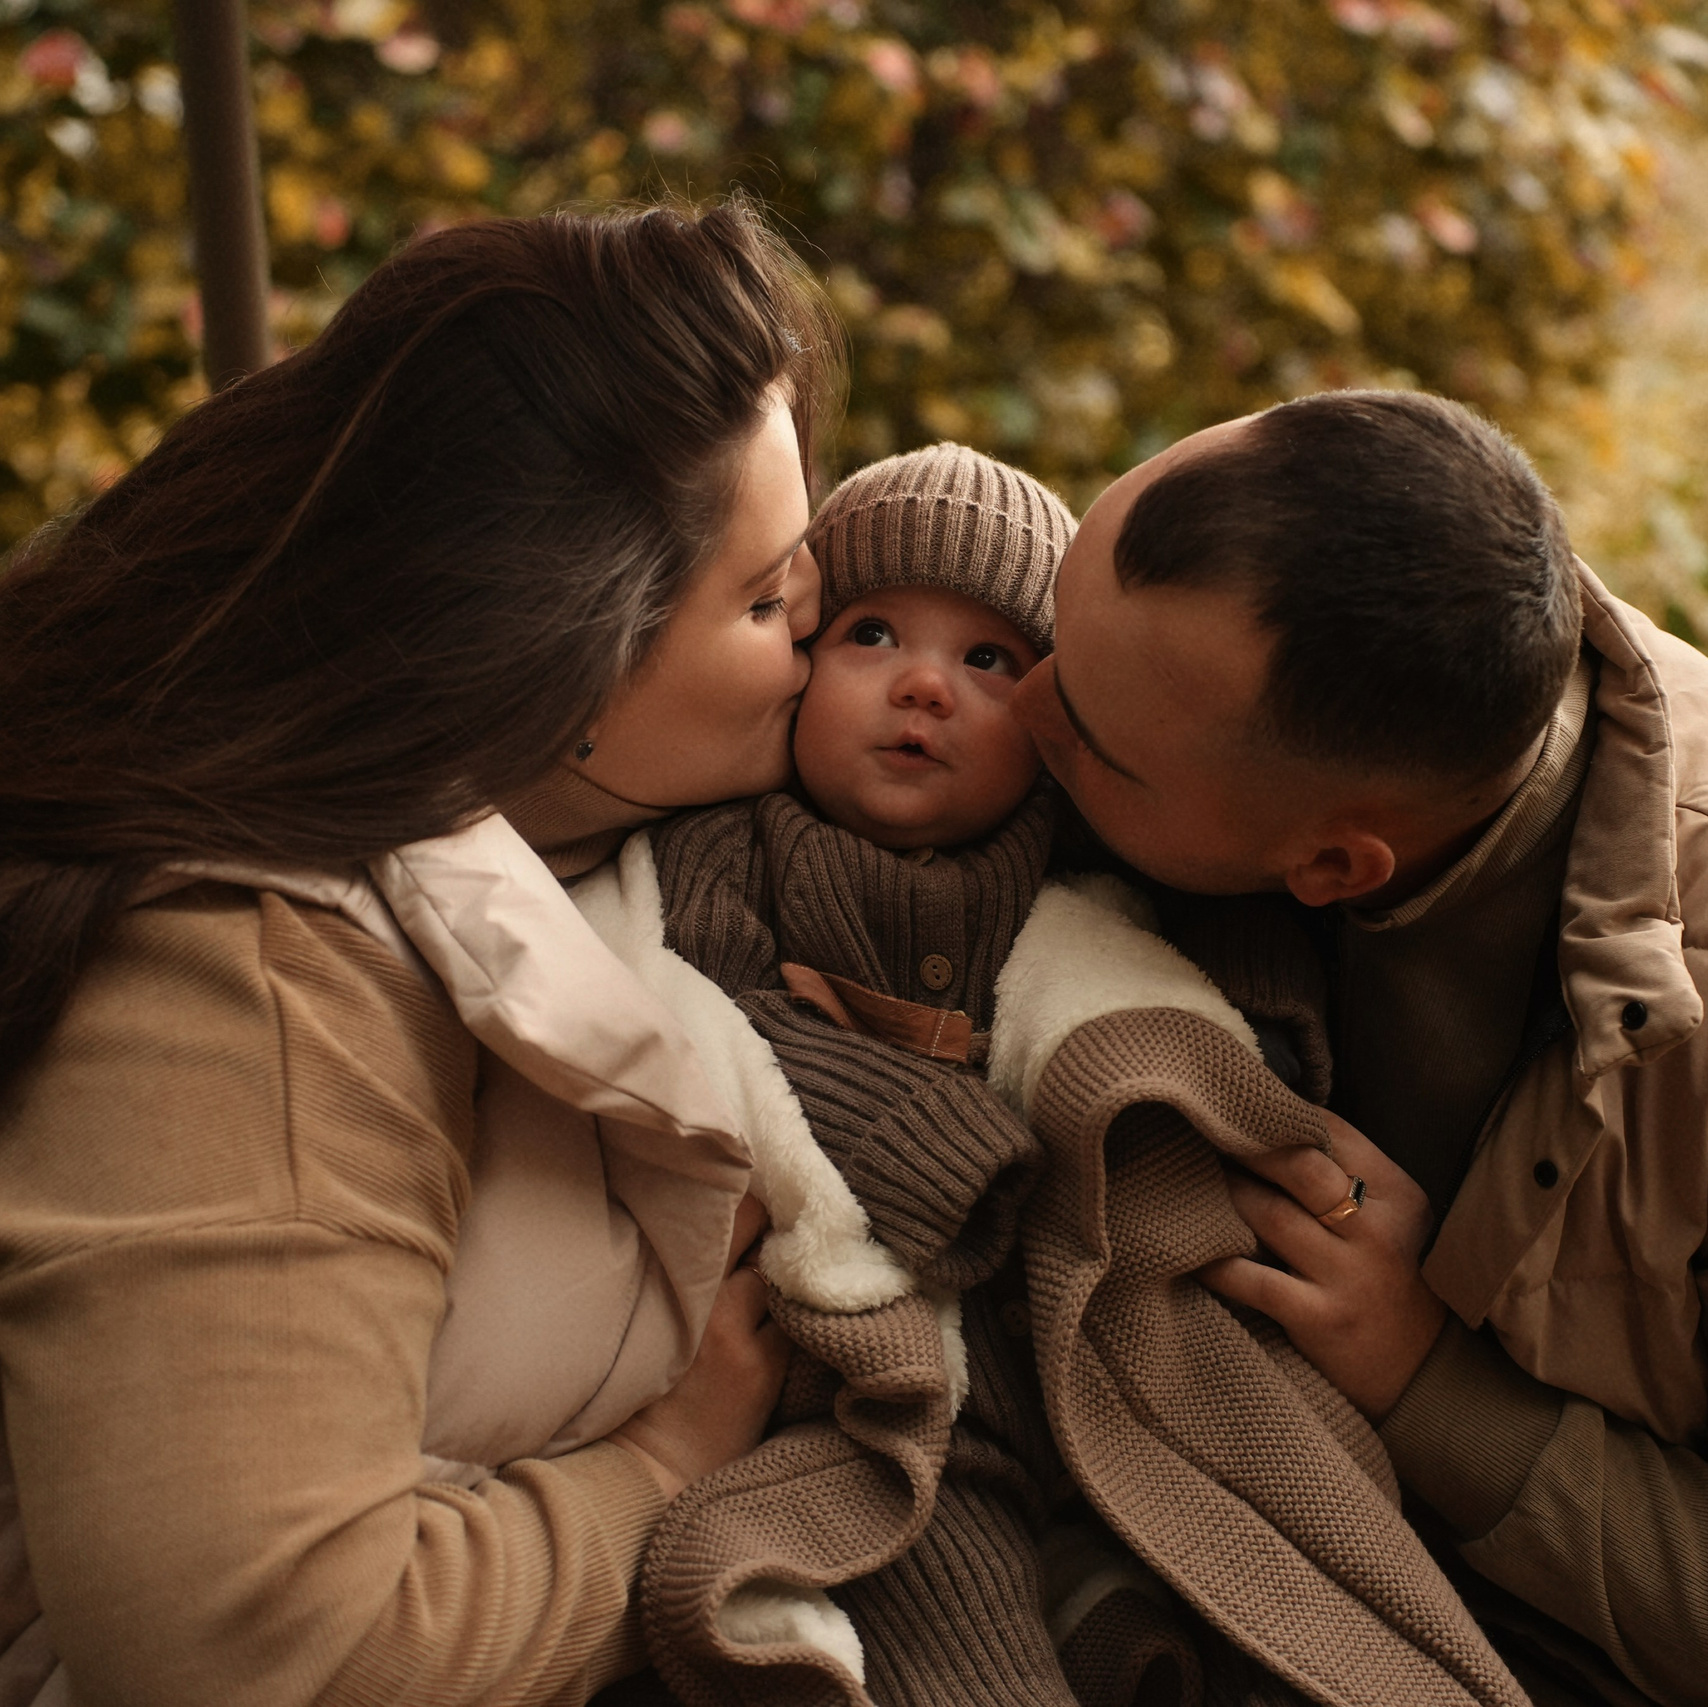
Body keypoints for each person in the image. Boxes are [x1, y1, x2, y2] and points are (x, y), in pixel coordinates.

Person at [0, 198, 844, 1707]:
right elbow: (262, 1658)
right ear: (563, 652)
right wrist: (665, 1467)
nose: (823, 624)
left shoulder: (587, 830)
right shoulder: (248, 983)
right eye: (769, 596)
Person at [1010, 386, 1708, 1707]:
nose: (1019, 704)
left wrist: (1430, 1388)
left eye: (1085, 740)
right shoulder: (1326, 663)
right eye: (1052, 627)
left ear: (1334, 864)